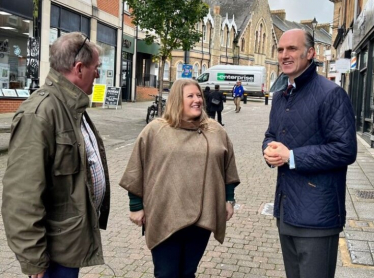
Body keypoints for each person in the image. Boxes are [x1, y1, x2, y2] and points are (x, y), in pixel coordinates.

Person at [1, 32, 111, 278]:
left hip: (69, 242)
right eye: (96, 68)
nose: (98, 74)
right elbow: (21, 196)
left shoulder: (72, 105)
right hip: (52, 255)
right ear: (79, 68)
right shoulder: (41, 113)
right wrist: (33, 259)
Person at [119, 79, 240, 278]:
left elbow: (228, 167)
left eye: (199, 95)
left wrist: (229, 199)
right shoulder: (156, 130)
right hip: (166, 212)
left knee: (187, 272)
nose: (197, 100)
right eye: (190, 96)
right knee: (166, 273)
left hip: (203, 215)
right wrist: (135, 205)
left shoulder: (215, 130)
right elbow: (136, 168)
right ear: (177, 100)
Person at [262, 29, 357, 278]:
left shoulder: (332, 94)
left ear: (310, 53)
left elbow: (345, 149)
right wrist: (268, 149)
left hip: (318, 218)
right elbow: (271, 134)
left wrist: (291, 157)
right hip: (286, 211)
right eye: (281, 49)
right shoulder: (281, 95)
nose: (284, 55)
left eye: (292, 49)